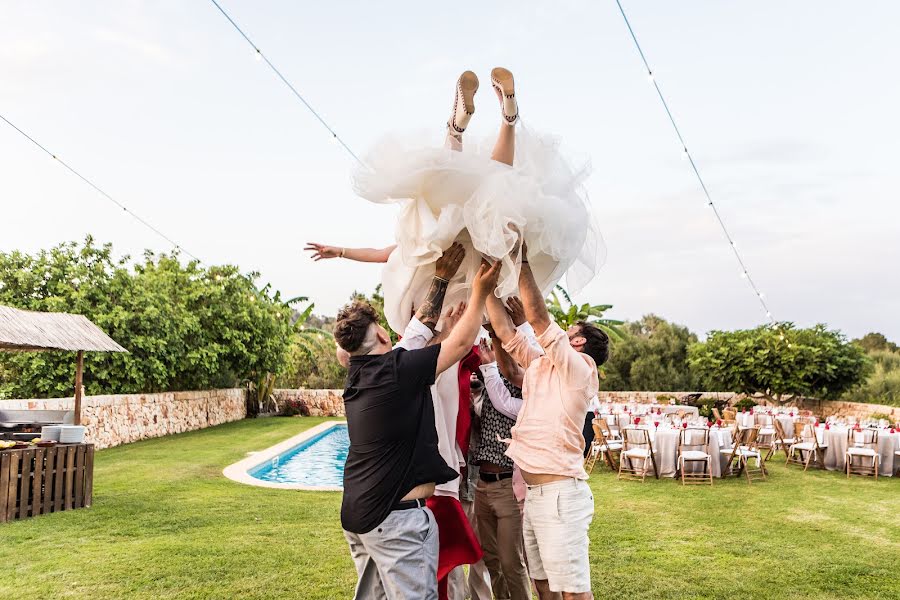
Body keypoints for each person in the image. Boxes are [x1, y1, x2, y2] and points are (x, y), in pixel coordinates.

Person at [336, 257, 501, 600]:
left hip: (359, 515)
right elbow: (459, 345)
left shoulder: (359, 373)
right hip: (395, 520)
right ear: (382, 333)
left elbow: (419, 332)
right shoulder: (398, 368)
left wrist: (440, 278)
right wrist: (479, 293)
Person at [485, 244, 609, 600]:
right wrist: (486, 282)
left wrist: (520, 260)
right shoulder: (542, 365)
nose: (562, 332)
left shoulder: (581, 369)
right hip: (537, 495)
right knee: (543, 587)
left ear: (579, 341)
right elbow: (506, 335)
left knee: (571, 593)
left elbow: (537, 320)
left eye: (570, 331)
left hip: (561, 497)